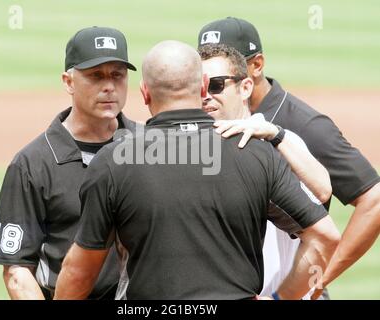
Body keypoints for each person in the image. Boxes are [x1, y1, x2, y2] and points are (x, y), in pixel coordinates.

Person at [54, 40, 340, 300]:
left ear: (144, 93)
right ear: (203, 87)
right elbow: (325, 236)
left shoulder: (112, 161)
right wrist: (282, 298)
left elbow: (80, 272)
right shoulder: (255, 152)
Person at [198, 17, 380, 298]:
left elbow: (372, 200)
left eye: (220, 80)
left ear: (255, 67)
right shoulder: (208, 120)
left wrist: (315, 284)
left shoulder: (302, 126)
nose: (208, 89)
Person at [0, 26, 137, 299]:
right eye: (96, 76)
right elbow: (17, 271)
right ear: (68, 81)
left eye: (118, 75)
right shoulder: (32, 164)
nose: (109, 86)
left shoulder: (150, 145)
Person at [198, 42, 331, 298]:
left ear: (245, 87)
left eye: (215, 85)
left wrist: (276, 135)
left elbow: (323, 191)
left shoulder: (279, 141)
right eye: (199, 87)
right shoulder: (196, 148)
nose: (205, 95)